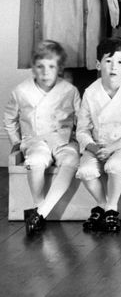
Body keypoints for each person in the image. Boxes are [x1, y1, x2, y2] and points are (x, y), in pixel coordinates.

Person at [4, 40, 81, 235]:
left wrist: (81, 139)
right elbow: (9, 118)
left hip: (62, 139)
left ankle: (40, 213)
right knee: (37, 160)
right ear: (33, 68)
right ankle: (39, 205)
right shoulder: (21, 91)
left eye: (51, 67)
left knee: (71, 160)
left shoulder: (69, 90)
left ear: (59, 68)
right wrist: (16, 142)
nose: (45, 72)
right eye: (40, 67)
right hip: (35, 139)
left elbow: (82, 118)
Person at [76, 38, 121, 234]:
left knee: (114, 166)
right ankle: (104, 206)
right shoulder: (90, 92)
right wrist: (93, 147)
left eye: (120, 62)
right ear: (98, 64)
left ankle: (112, 207)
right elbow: (82, 129)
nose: (113, 67)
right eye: (108, 61)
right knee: (86, 171)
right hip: (97, 144)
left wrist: (113, 148)